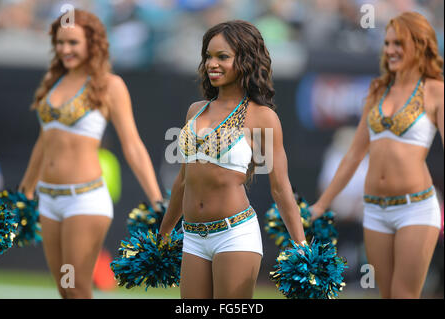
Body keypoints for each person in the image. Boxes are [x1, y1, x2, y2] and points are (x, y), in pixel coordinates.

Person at [18, 9, 163, 299]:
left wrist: (157, 200)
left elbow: (132, 145)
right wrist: (26, 192)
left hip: (83, 199)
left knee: (76, 287)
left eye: (73, 42)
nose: (65, 49)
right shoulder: (52, 81)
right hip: (49, 199)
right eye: (60, 42)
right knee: (64, 288)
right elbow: (43, 142)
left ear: (92, 43)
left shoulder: (110, 85)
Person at [159, 20, 307, 299]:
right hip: (192, 236)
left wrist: (301, 246)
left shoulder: (262, 117)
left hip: (234, 234)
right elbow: (182, 181)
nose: (212, 64)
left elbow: (280, 188)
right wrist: (164, 233)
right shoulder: (195, 111)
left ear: (246, 60)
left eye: (223, 57)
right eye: (208, 57)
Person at [310, 12, 444, 299]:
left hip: (416, 207)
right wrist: (321, 205)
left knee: (404, 295)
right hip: (374, 210)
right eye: (387, 43)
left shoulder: (435, 92)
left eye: (400, 43)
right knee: (386, 295)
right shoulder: (377, 91)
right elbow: (353, 156)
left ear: (420, 45)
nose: (391, 50)